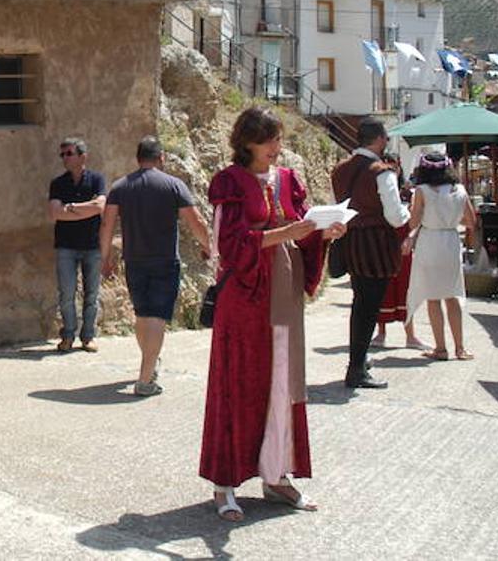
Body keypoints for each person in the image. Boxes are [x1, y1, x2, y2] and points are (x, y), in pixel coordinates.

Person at [201, 106, 345, 522]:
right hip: (244, 301)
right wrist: (286, 232)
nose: (275, 149)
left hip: (283, 295)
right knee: (238, 383)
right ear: (246, 142)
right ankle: (225, 483)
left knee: (283, 379)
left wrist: (324, 232)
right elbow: (229, 245)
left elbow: (302, 232)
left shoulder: (288, 181)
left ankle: (276, 475)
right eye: (268, 141)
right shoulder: (228, 183)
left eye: (278, 140)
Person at [99, 137, 212, 396]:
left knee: (142, 315)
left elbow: (107, 225)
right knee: (157, 317)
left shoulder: (120, 187)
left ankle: (149, 364)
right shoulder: (173, 185)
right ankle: (145, 380)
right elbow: (195, 222)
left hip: (134, 260)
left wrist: (105, 258)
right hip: (163, 260)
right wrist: (208, 247)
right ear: (161, 157)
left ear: (138, 158)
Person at [332, 117, 410, 389]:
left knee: (360, 303)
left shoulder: (340, 170)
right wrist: (410, 211)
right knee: (368, 307)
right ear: (379, 139)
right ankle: (356, 369)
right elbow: (396, 217)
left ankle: (359, 361)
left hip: (351, 240)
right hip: (375, 244)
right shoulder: (381, 171)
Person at [404, 153, 477, 361]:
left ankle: (441, 348)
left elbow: (413, 222)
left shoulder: (422, 191)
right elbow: (471, 221)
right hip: (451, 241)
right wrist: (451, 215)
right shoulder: (460, 190)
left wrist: (415, 210)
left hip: (430, 241)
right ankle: (460, 348)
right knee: (453, 295)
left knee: (433, 297)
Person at [47, 137, 106, 352]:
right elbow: (55, 213)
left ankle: (88, 336)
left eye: (69, 153)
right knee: (66, 294)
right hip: (66, 246)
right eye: (62, 154)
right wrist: (84, 209)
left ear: (83, 156)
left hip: (92, 245)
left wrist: (69, 208)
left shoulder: (97, 180)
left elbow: (101, 206)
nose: (64, 158)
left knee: (92, 294)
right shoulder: (58, 183)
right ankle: (68, 334)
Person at [374, 152, 427, 350]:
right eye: (387, 164)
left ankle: (411, 335)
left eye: (394, 165)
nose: (391, 168)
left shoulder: (408, 193)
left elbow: (415, 219)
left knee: (406, 289)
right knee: (383, 288)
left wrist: (411, 238)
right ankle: (381, 333)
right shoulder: (377, 190)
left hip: (403, 244)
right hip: (383, 243)